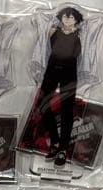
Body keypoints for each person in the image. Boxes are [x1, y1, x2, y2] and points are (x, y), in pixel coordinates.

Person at [38, 7, 82, 167]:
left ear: (76, 20)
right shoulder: (53, 31)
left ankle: (63, 149)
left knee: (67, 109)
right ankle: (55, 141)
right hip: (52, 69)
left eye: (71, 17)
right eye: (65, 16)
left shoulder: (81, 35)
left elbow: (80, 53)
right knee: (42, 104)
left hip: (69, 72)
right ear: (61, 17)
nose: (68, 19)